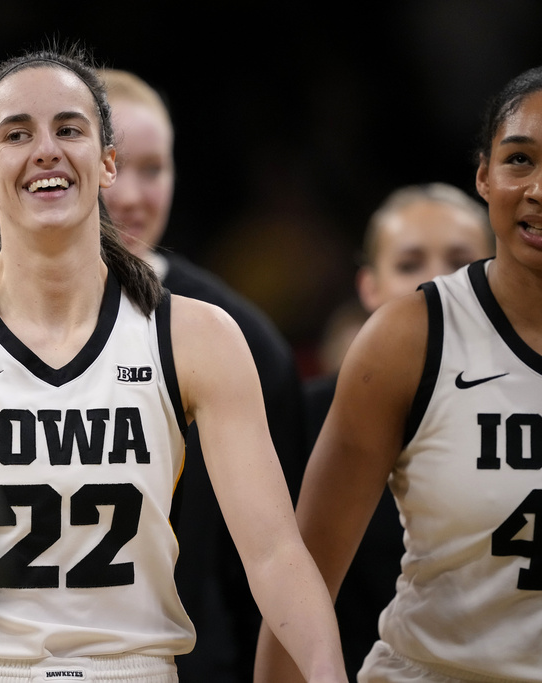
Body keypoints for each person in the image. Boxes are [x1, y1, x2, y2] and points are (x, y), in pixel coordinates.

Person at [0, 43, 346, 683]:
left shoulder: (196, 334)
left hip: (128, 668)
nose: (46, 149)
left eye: (69, 129)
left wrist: (326, 671)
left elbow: (273, 554)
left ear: (106, 163)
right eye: (18, 133)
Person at [254, 65, 542, 683]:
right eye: (520, 159)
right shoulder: (410, 336)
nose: (538, 186)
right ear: (485, 178)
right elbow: (304, 576)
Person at [98, 67, 307, 682]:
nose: (133, 195)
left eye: (154, 169)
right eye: (116, 166)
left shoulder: (242, 338)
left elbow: (282, 555)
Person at [301, 182, 494, 681]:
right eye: (410, 264)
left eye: (459, 260)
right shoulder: (305, 418)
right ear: (368, 287)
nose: (436, 282)